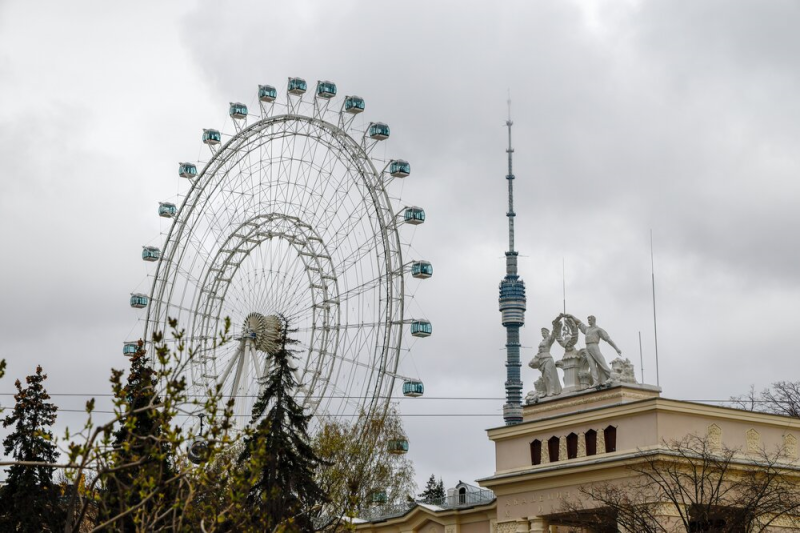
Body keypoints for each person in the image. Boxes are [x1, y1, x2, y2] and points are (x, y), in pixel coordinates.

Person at [565, 314, 621, 386]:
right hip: (587, 347)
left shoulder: (598, 330)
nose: (588, 321)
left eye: (589, 320)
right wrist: (571, 316)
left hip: (594, 346)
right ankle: (595, 382)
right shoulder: (587, 329)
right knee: (592, 366)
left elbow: (608, 339)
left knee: (602, 363)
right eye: (588, 320)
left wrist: (616, 349)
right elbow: (579, 322)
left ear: (593, 320)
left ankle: (613, 378)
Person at [529, 318, 562, 396]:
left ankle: (553, 390)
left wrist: (556, 326)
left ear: (547, 333)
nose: (543, 334)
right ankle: (549, 390)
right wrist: (532, 361)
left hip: (548, 359)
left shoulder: (549, 340)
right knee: (545, 377)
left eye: (544, 332)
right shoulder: (542, 342)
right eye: (542, 333)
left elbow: (554, 334)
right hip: (541, 360)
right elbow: (539, 353)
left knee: (548, 374)